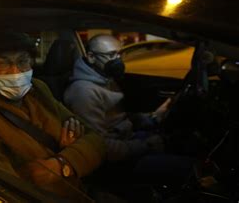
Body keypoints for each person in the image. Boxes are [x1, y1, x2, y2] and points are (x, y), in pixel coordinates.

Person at [0, 31, 106, 197]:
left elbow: (96, 140)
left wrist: (62, 164)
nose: (16, 71)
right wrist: (74, 153)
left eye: (23, 61)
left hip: (78, 191)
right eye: (5, 63)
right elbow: (4, 185)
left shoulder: (37, 89)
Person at [63, 34, 170, 162]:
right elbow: (99, 146)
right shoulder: (83, 92)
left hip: (128, 139)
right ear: (91, 57)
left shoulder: (106, 78)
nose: (118, 60)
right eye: (111, 55)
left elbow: (119, 117)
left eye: (119, 54)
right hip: (118, 159)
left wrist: (152, 118)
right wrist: (147, 146)